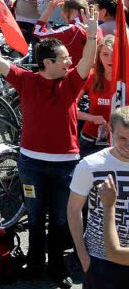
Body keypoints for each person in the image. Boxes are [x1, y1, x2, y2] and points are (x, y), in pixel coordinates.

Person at [0, 14, 98, 288]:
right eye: (64, 58)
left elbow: (88, 60)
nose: (69, 62)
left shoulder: (72, 82)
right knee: (36, 217)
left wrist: (94, 35)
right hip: (32, 164)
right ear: (48, 63)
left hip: (66, 165)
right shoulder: (26, 80)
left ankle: (56, 267)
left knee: (61, 220)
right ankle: (35, 264)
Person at [69, 106, 129, 289]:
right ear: (111, 132)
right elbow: (74, 209)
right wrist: (83, 255)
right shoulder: (91, 165)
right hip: (101, 261)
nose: (128, 145)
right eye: (122, 138)